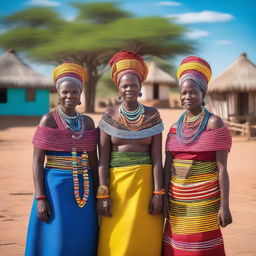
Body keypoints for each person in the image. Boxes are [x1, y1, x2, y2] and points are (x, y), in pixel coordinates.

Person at [25, 62, 98, 256]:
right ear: (58, 93)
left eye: (74, 92)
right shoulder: (48, 120)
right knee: (57, 237)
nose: (69, 96)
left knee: (82, 235)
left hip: (85, 189)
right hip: (54, 188)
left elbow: (94, 161)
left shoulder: (88, 123)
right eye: (65, 92)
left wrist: (100, 193)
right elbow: (37, 162)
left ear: (80, 95)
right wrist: (41, 198)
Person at [162, 56, 233, 256]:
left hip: (205, 201)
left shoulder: (214, 124)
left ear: (203, 93)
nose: (187, 96)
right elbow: (168, 166)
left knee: (200, 248)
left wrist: (224, 206)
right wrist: (165, 198)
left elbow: (222, 169)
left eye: (193, 92)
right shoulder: (175, 128)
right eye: (183, 92)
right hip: (177, 202)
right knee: (177, 247)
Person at [97, 50, 164, 256]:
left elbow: (156, 159)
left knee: (144, 238)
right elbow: (103, 158)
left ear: (140, 87)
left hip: (145, 187)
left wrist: (158, 193)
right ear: (119, 88)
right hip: (117, 187)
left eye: (133, 85)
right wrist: (103, 193)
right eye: (125, 85)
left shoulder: (152, 114)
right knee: (117, 239)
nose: (129, 89)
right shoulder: (109, 115)